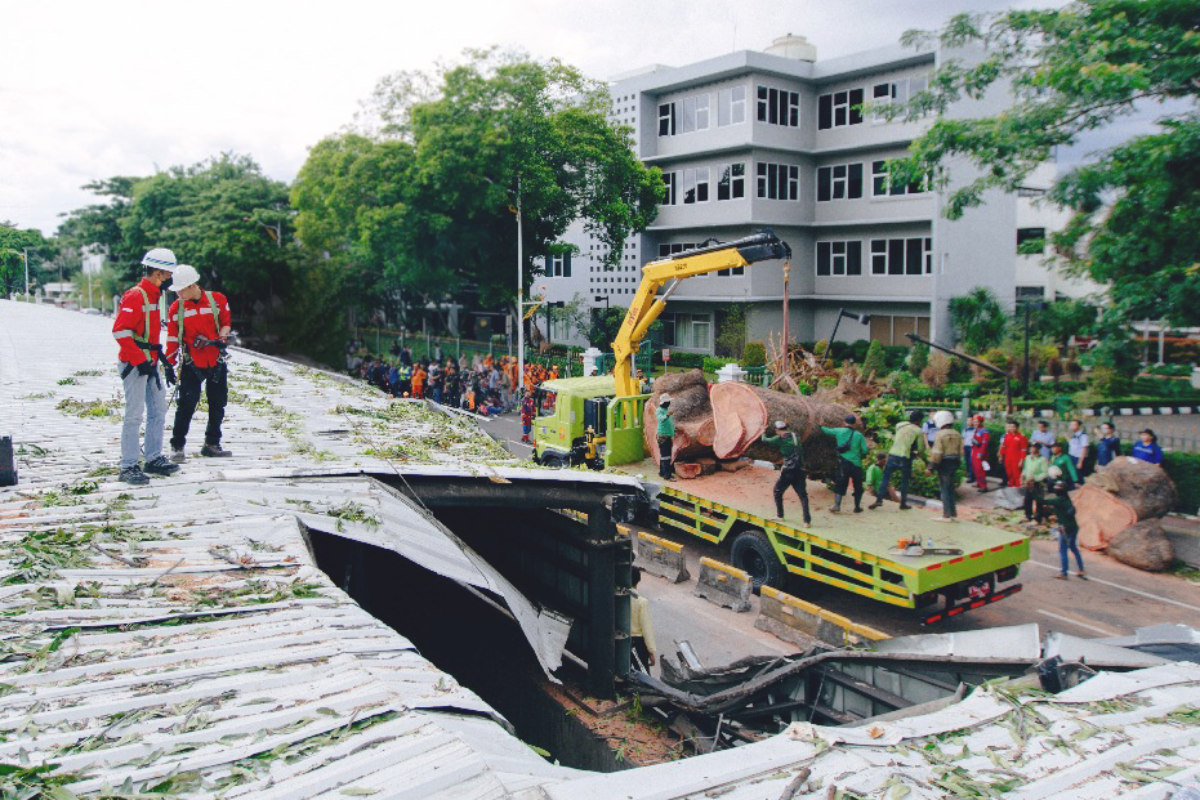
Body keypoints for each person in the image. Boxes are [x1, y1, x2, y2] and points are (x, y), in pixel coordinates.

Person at [112, 248, 182, 485]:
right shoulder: (136, 295)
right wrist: (138, 359)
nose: (170, 278)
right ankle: (128, 466)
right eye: (169, 273)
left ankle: (152, 458)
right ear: (160, 272)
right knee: (134, 415)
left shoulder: (155, 295)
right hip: (135, 363)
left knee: (158, 411)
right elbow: (120, 332)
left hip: (150, 362)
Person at [165, 265, 233, 462]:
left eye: (181, 289)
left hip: (216, 361)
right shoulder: (176, 309)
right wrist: (169, 364)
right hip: (191, 363)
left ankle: (212, 444)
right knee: (186, 405)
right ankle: (177, 446)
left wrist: (221, 338)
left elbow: (226, 323)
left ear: (192, 285)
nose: (178, 293)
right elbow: (172, 338)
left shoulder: (217, 300)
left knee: (217, 403)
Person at [869, 410, 926, 510]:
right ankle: (903, 503)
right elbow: (921, 449)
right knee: (904, 481)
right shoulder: (918, 431)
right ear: (919, 420)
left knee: (885, 479)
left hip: (893, 455)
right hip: (905, 457)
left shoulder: (900, 425)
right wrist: (922, 457)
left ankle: (879, 500)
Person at [762, 420, 812, 525]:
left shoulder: (779, 438)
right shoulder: (795, 436)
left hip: (789, 470)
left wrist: (763, 431)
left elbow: (765, 440)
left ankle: (780, 515)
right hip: (800, 469)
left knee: (777, 491)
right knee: (803, 495)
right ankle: (806, 521)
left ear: (777, 430)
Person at [821, 415, 869, 514]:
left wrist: (821, 425)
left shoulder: (839, 431)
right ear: (854, 423)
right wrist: (860, 456)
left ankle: (837, 506)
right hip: (856, 464)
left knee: (840, 483)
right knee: (858, 486)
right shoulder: (859, 435)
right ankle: (857, 507)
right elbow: (865, 450)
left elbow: (826, 431)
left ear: (844, 422)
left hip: (843, 463)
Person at [1045, 469, 1085, 580]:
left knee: (1063, 550)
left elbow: (1042, 500)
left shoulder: (1058, 501)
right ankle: (1081, 569)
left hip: (1065, 528)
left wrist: (1032, 491)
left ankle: (1064, 572)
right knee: (1073, 548)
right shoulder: (1067, 499)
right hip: (1073, 527)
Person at [928, 410, 963, 522]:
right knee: (950, 488)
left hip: (944, 463)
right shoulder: (957, 434)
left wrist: (931, 466)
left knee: (944, 488)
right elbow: (960, 451)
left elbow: (937, 452)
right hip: (954, 462)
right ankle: (952, 513)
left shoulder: (940, 434)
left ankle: (946, 515)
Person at [629, 567, 657, 670]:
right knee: (643, 675)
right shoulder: (641, 602)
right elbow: (647, 628)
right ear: (638, 581)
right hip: (637, 645)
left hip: (620, 643)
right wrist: (651, 651)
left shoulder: (618, 598)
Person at [1020, 446, 1050, 523]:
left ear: (1038, 449)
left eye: (1034, 447)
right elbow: (1025, 469)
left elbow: (1045, 473)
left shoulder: (1042, 460)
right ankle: (1028, 516)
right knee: (1027, 499)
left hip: (1037, 483)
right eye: (1031, 447)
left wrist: (1035, 478)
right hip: (1028, 482)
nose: (1032, 449)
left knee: (1038, 501)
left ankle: (1039, 518)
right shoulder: (1028, 458)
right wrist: (1023, 476)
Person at [998, 420, 1029, 489]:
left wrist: (1022, 460)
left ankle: (1018, 489)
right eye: (1011, 427)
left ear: (1017, 428)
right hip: (1007, 458)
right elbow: (1004, 446)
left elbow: (1024, 450)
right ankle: (1012, 488)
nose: (1012, 428)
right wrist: (1001, 456)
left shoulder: (1022, 437)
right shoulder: (1007, 436)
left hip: (1016, 459)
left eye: (1013, 427)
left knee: (1016, 475)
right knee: (1009, 473)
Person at [656, 393, 676, 480]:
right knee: (666, 456)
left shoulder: (666, 409)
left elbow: (669, 423)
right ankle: (667, 476)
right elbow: (661, 419)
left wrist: (674, 430)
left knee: (664, 456)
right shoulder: (659, 411)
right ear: (664, 402)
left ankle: (662, 472)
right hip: (663, 436)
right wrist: (668, 414)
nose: (669, 403)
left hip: (667, 436)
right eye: (668, 402)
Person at [970, 415, 992, 491]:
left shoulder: (985, 431)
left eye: (976, 421)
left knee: (980, 469)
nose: (975, 423)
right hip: (975, 450)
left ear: (980, 422)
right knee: (975, 468)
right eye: (974, 421)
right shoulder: (976, 430)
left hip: (980, 452)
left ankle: (983, 486)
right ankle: (979, 482)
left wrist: (980, 454)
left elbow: (984, 444)